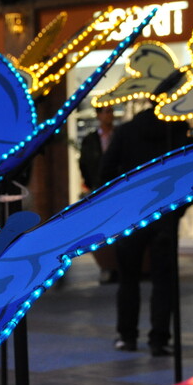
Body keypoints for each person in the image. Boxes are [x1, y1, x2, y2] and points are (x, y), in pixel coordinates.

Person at [98, 102, 193, 356]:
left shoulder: (126, 131)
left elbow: (106, 171)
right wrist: (178, 210)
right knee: (164, 281)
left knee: (128, 279)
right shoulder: (178, 131)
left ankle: (127, 336)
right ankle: (159, 339)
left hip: (131, 215)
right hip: (164, 215)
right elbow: (192, 175)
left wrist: (116, 209)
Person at [78, 106, 119, 284]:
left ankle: (118, 265)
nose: (108, 115)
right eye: (105, 112)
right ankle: (108, 266)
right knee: (103, 228)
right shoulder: (91, 140)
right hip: (99, 189)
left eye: (111, 111)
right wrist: (92, 183)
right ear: (98, 115)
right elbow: (85, 163)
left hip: (117, 188)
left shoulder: (119, 136)